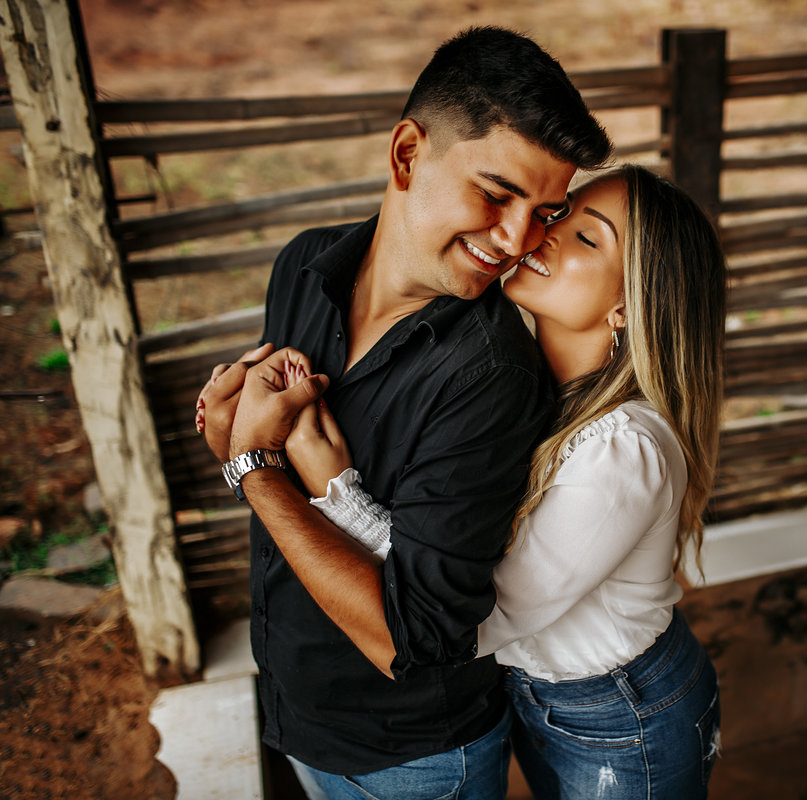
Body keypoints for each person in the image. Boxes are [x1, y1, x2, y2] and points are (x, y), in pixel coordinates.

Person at [194, 27, 612, 800]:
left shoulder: (490, 377)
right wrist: (237, 434)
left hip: (414, 761)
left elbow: (412, 640)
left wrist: (251, 468)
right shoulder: (303, 264)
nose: (516, 240)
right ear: (407, 154)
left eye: (545, 212)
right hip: (293, 705)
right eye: (497, 193)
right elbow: (266, 452)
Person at [283, 164, 727, 799]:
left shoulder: (623, 448)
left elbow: (476, 616)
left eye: (587, 238)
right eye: (559, 217)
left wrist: (335, 489)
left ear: (627, 307)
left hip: (621, 715)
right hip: (538, 697)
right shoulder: (534, 390)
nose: (542, 236)